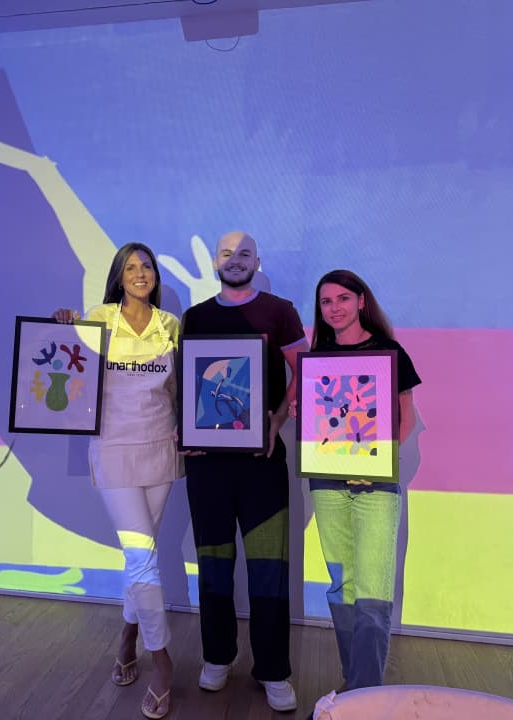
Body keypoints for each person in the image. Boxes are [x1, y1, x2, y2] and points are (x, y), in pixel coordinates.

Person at [181, 231, 309, 713]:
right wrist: (185, 427)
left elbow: (304, 370)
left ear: (258, 261)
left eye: (245, 254)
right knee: (213, 564)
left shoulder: (280, 311)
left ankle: (273, 670)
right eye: (227, 254)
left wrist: (277, 419)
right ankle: (217, 656)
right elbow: (189, 382)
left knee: (268, 569)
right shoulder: (196, 317)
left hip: (262, 463)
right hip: (206, 465)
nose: (235, 261)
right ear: (216, 262)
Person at [53, 242, 180, 720]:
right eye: (130, 267)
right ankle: (162, 662)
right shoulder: (99, 318)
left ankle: (128, 636)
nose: (140, 273)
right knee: (142, 557)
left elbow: (179, 390)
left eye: (146, 265)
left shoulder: (171, 326)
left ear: (154, 275)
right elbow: (70, 366)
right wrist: (63, 327)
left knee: (139, 557)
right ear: (119, 277)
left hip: (161, 452)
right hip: (113, 450)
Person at [299, 269, 421, 696]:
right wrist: (303, 415)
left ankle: (365, 693)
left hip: (377, 487)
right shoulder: (318, 357)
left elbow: (406, 419)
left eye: (343, 299)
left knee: (372, 590)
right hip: (327, 485)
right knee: (341, 585)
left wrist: (374, 462)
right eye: (326, 302)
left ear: (361, 301)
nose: (334, 308)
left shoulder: (390, 352)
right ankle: (356, 685)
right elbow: (317, 422)